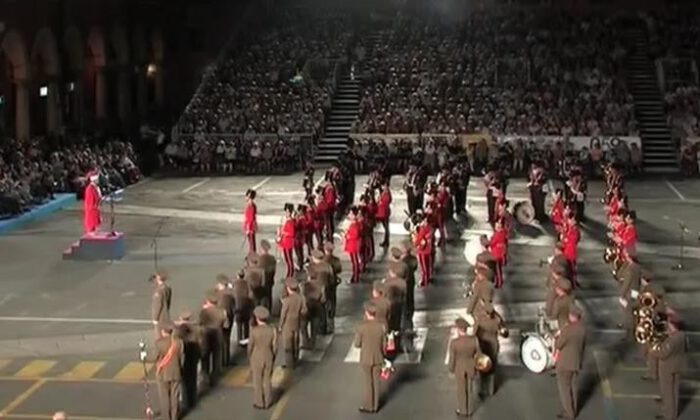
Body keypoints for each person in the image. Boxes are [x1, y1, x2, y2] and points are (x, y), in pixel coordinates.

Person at [354, 302, 386, 413]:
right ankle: (376, 406)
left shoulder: (361, 327)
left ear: (367, 313)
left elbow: (357, 344)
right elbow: (384, 345)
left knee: (368, 382)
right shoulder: (381, 327)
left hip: (366, 358)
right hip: (378, 357)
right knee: (376, 381)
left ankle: (368, 405)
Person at [554, 307, 586, 419]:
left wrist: (558, 335)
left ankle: (569, 412)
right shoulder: (582, 329)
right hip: (576, 362)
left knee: (565, 388)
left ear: (571, 316)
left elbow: (558, 344)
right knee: (573, 386)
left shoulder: (567, 330)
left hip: (565, 363)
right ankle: (574, 409)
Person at [651, 320, 687, 420]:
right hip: (678, 365)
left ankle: (668, 415)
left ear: (674, 326)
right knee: (675, 391)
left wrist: (653, 349)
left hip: (667, 367)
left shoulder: (672, 340)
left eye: (669, 325)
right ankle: (673, 414)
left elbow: (662, 354)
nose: (667, 327)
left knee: (667, 393)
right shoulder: (682, 335)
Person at [448, 317, 479, 417]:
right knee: (469, 389)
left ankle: (462, 410)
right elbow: (478, 354)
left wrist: (451, 369)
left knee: (461, 389)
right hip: (470, 366)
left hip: (459, 368)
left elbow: (452, 358)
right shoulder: (474, 340)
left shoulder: (454, 343)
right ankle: (470, 409)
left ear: (458, 329)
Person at [249, 306, 277, 410]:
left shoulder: (254, 331)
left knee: (257, 380)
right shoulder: (272, 330)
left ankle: (259, 402)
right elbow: (275, 346)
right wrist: (273, 355)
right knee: (267, 380)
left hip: (256, 357)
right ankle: (268, 401)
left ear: (257, 318)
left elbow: (250, 346)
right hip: (268, 356)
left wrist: (250, 356)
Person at [475, 302, 505, 396]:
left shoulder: (481, 321)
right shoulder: (497, 320)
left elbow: (475, 333)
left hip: (483, 345)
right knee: (492, 367)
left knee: (482, 368)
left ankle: (481, 390)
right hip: (494, 344)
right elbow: (502, 328)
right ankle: (491, 390)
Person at [154, 323, 183, 420]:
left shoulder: (159, 343)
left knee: (164, 397)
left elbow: (155, 358)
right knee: (175, 396)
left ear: (163, 332)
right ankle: (175, 417)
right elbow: (182, 358)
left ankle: (166, 417)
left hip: (163, 373)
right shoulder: (179, 343)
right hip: (176, 372)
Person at [174, 311, 200, 412]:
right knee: (193, 380)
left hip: (184, 359)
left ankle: (185, 401)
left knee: (184, 382)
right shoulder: (195, 330)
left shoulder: (178, 331)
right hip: (193, 358)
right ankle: (192, 400)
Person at [198, 290, 226, 386]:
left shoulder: (204, 312)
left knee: (205, 357)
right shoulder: (222, 311)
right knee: (216, 356)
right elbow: (226, 325)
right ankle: (215, 376)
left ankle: (205, 376)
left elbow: (200, 323)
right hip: (218, 335)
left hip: (206, 336)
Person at [279, 277, 307, 369]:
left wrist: (280, 325)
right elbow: (304, 310)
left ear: (288, 288)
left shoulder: (287, 300)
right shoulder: (301, 298)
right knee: (296, 341)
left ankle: (290, 364)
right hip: (297, 322)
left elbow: (283, 314)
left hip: (287, 323)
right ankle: (296, 360)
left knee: (288, 344)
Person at [215, 275, 235, 366]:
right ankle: (226, 359)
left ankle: (220, 361)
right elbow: (233, 306)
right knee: (227, 339)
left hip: (219, 319)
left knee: (220, 340)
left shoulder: (217, 294)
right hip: (229, 318)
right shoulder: (230, 295)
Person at [414, 214, 434, 287]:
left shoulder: (424, 228)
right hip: (425, 249)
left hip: (423, 250)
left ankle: (425, 281)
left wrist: (416, 243)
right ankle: (425, 279)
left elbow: (419, 238)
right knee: (425, 266)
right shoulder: (428, 228)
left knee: (424, 267)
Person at [278, 203, 297, 278]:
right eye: (286, 212)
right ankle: (289, 274)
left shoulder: (291, 221)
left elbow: (292, 233)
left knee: (289, 260)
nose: (286, 213)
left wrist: (283, 232)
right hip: (285, 242)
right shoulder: (288, 221)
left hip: (288, 243)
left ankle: (290, 274)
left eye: (288, 212)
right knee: (287, 259)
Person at [345, 206, 362, 284]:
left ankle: (356, 277)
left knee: (355, 261)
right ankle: (354, 276)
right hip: (352, 244)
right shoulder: (354, 223)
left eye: (351, 214)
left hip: (353, 245)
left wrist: (348, 236)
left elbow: (356, 234)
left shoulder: (355, 224)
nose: (349, 215)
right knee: (353, 261)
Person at [151, 272, 172, 339]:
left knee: (159, 336)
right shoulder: (167, 288)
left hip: (160, 317)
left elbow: (158, 305)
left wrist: (155, 318)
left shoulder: (159, 291)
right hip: (166, 314)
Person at [258, 240, 277, 310]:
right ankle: (269, 309)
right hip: (270, 280)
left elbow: (258, 272)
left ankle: (263, 311)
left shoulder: (260, 259)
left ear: (262, 249)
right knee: (269, 296)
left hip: (262, 282)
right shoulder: (272, 258)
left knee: (262, 297)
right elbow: (274, 270)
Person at [489, 219, 508, 289]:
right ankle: (499, 281)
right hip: (500, 253)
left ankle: (499, 282)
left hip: (497, 254)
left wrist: (489, 241)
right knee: (498, 269)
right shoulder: (503, 233)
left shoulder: (498, 234)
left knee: (497, 269)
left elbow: (492, 242)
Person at [83, 170, 102, 235]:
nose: (98, 180)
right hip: (92, 212)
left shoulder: (95, 187)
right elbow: (90, 203)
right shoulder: (90, 189)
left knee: (96, 231)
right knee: (92, 232)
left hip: (95, 210)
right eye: (97, 179)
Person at [376, 182, 392, 247]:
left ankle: (386, 241)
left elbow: (385, 202)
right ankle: (386, 241)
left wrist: (380, 202)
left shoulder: (387, 193)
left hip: (384, 212)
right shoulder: (384, 193)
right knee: (386, 228)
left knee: (386, 228)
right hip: (382, 212)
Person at [243, 189, 258, 253]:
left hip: (251, 227)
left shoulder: (251, 205)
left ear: (249, 196)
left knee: (252, 243)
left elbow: (251, 218)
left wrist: (248, 228)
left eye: (246, 196)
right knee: (251, 243)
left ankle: (253, 256)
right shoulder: (250, 205)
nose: (245, 197)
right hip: (250, 226)